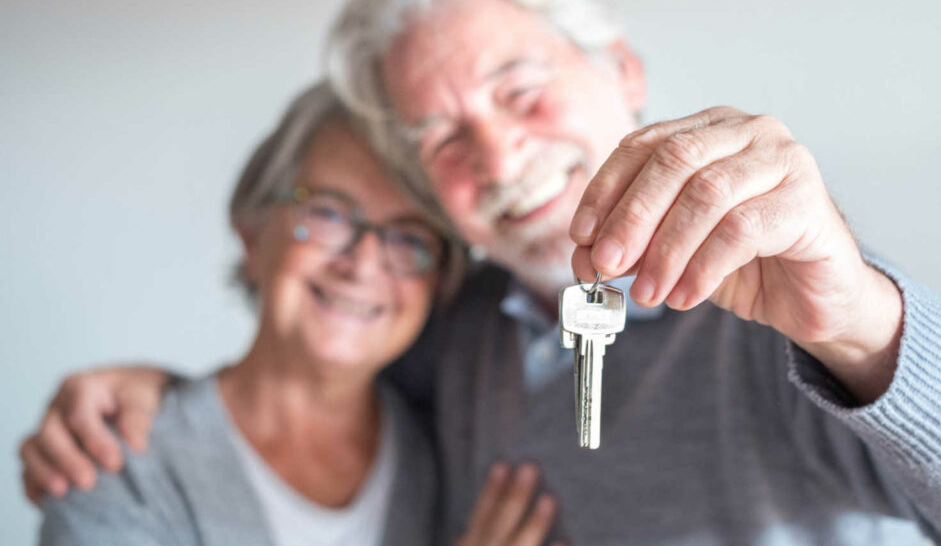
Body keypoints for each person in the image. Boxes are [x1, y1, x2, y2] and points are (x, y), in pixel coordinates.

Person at [22, 0, 941, 544]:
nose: (498, 161)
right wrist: (157, 388)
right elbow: (296, 383)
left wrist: (857, 319)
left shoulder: (791, 301)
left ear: (621, 70)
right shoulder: (450, 342)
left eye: (521, 92)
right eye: (443, 139)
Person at [31, 83, 561, 546]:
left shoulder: (449, 446)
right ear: (253, 230)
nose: (362, 263)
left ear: (438, 283)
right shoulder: (118, 459)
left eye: (409, 238)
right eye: (328, 212)